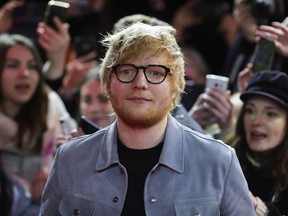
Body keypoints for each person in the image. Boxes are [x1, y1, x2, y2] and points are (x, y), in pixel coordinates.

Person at [40, 22, 255, 215]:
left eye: (155, 72)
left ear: (176, 87)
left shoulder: (219, 161)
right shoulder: (70, 159)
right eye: (126, 71)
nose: (140, 83)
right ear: (107, 83)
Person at [0, 33, 76, 207]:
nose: (25, 74)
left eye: (33, 66)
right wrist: (26, 192)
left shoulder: (51, 107)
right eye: (12, 65)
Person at [229, 70, 288, 215]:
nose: (256, 121)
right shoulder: (226, 157)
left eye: (270, 114)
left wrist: (256, 207)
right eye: (250, 110)